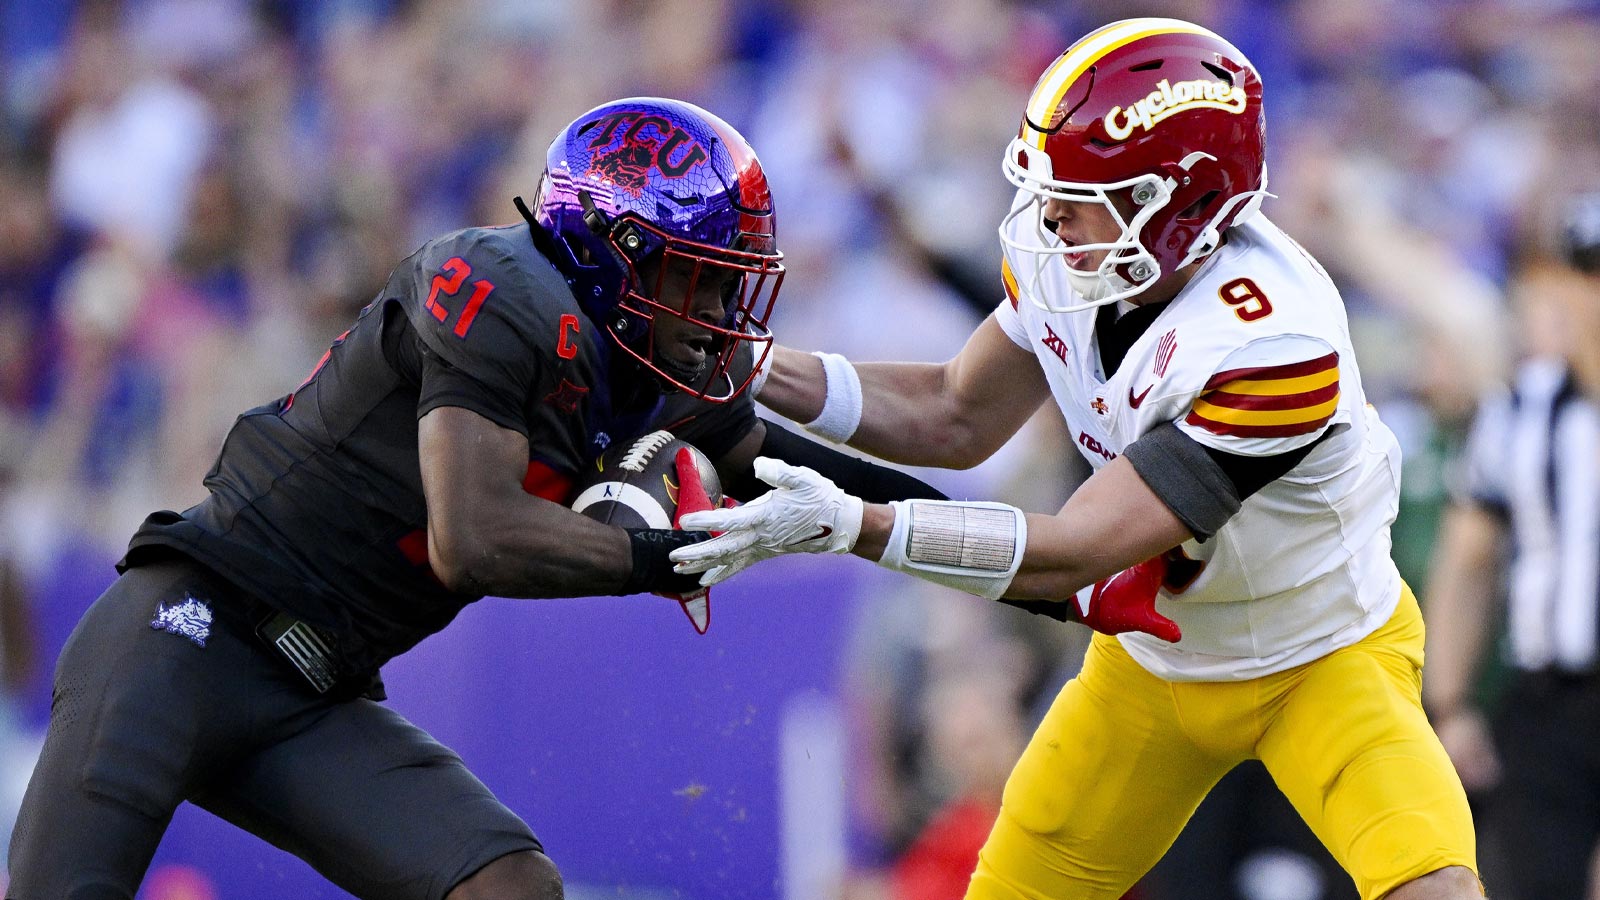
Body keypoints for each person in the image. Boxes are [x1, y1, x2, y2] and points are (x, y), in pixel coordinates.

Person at [8, 97, 947, 899]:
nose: (714, 313)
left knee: (505, 885)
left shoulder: (646, 368)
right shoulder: (497, 287)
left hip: (311, 696)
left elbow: (797, 473)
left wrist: (1015, 553)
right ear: (614, 250)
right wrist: (672, 558)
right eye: (697, 277)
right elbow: (475, 536)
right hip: (185, 639)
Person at [672, 19, 1483, 900]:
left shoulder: (1272, 343)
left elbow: (1074, 550)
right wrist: (750, 367)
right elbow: (953, 412)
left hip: (1320, 653)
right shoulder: (1079, 254)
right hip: (1155, 661)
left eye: (1087, 194)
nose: (1051, 216)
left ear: (1181, 205)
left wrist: (844, 524)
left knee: (1431, 886)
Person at [1423, 194, 1600, 900]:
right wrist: (1452, 701)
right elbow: (1469, 559)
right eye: (1587, 272)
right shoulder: (1521, 409)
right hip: (1547, 700)